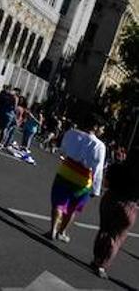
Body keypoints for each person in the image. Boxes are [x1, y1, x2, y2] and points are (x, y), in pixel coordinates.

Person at [48, 114, 107, 243]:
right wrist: (95, 189)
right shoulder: (99, 145)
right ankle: (61, 232)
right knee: (72, 208)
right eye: (102, 128)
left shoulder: (71, 133)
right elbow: (97, 169)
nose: (102, 131)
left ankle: (52, 229)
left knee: (58, 203)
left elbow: (62, 150)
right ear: (95, 127)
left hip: (65, 172)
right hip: (83, 180)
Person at [91, 153, 139, 279]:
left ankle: (96, 258)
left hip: (110, 199)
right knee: (116, 237)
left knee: (104, 229)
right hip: (129, 205)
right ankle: (102, 265)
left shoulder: (117, 167)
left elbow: (106, 184)